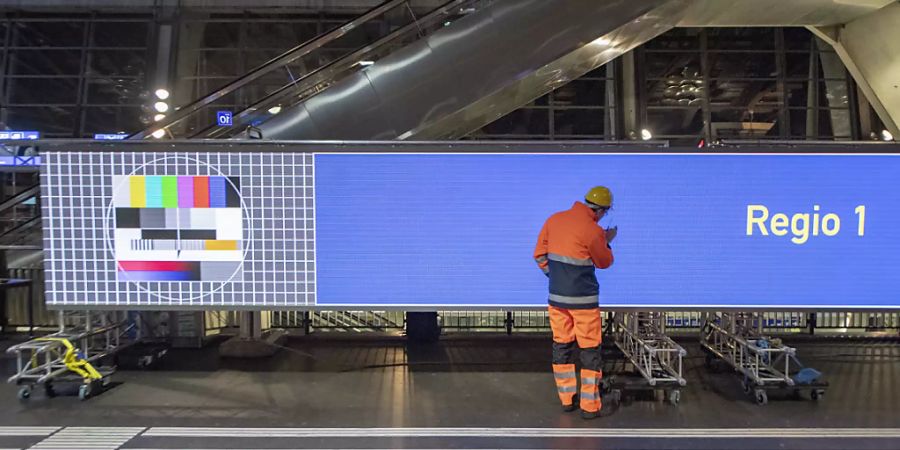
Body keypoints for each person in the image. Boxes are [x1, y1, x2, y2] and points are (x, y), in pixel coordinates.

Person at [533, 186, 616, 419]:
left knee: (562, 346)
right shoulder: (593, 230)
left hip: (557, 299)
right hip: (584, 302)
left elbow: (539, 254)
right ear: (599, 210)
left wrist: (556, 276)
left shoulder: (554, 220)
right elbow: (604, 262)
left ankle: (567, 399)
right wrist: (607, 241)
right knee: (589, 350)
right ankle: (589, 407)